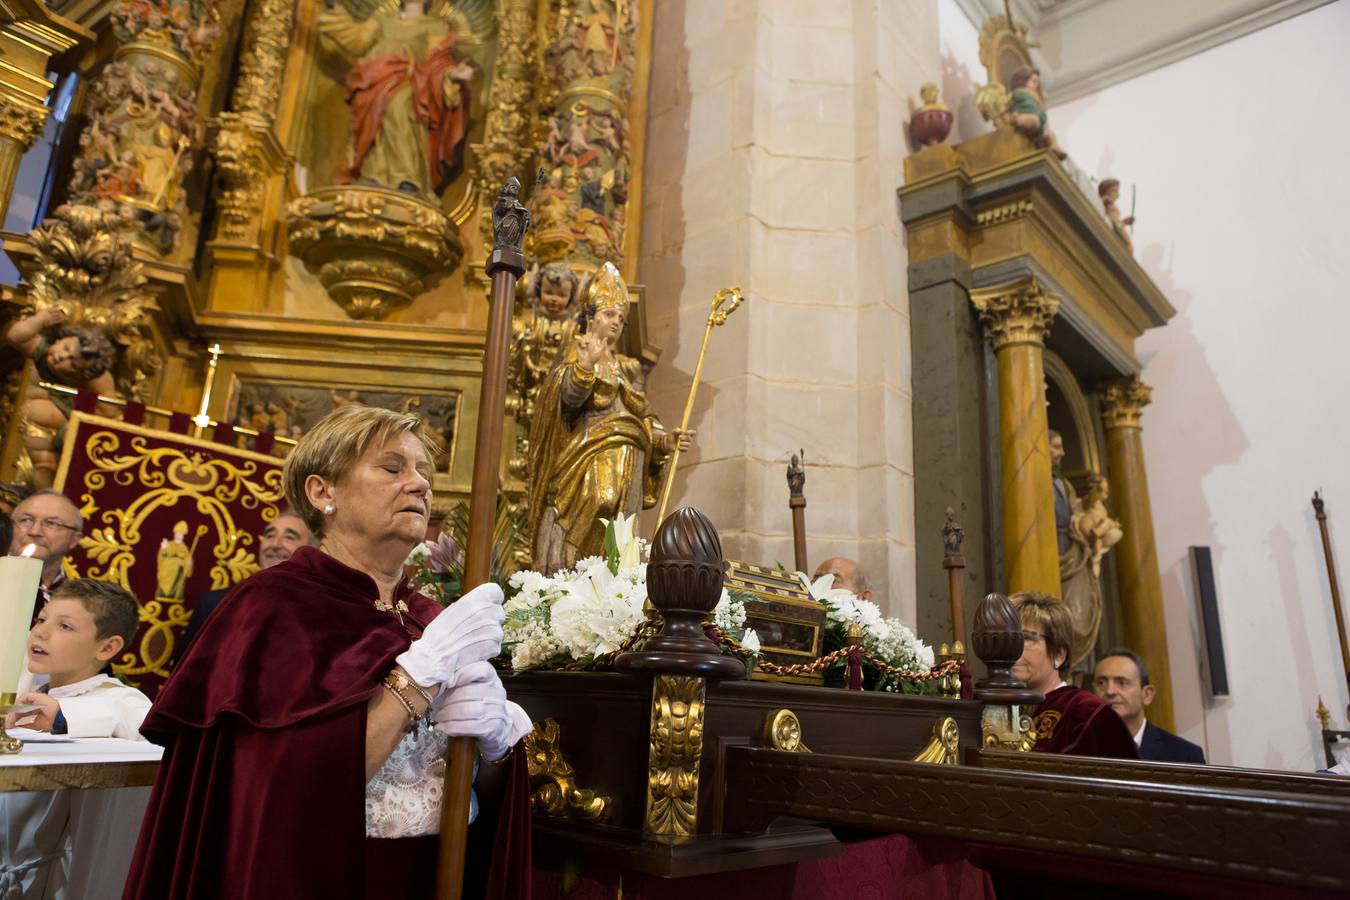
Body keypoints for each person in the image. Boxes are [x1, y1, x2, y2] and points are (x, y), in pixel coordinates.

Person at [123, 406, 532, 899]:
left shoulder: (431, 616)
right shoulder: (274, 606)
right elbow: (288, 793)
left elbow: (464, 789)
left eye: (424, 472)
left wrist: (495, 749)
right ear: (323, 493)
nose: (420, 484)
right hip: (326, 876)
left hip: (434, 875)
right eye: (392, 467)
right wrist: (416, 680)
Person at [527, 262, 693, 573]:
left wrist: (664, 440)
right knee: (595, 504)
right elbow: (567, 399)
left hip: (628, 464)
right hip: (586, 459)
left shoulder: (626, 367)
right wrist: (585, 366)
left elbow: (639, 414)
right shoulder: (576, 352)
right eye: (609, 314)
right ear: (590, 317)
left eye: (621, 317)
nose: (617, 321)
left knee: (619, 533)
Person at [2, 579, 151, 900]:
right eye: (41, 619)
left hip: (59, 877)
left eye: (65, 626)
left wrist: (62, 717)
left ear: (107, 647)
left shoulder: (119, 699)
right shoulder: (26, 691)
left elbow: (145, 725)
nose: (40, 632)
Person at [176, 508, 318, 661]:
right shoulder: (216, 604)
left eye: (290, 537)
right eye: (269, 535)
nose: (275, 544)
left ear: (311, 551)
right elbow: (182, 674)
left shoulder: (322, 611)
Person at [1010, 592, 1137, 759]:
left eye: (1026, 639)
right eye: (1008, 637)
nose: (1012, 648)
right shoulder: (994, 709)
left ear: (1059, 655)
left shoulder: (1089, 713)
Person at [1093, 649, 1205, 764]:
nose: (1110, 691)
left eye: (1122, 683)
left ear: (1147, 694)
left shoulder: (1184, 756)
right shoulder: (1077, 748)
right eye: (1101, 683)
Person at [8, 489, 84, 626]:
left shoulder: (82, 602)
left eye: (52, 523)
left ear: (74, 539)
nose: (34, 531)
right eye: (26, 520)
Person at [1007, 66, 1066, 160]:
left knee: (1051, 136)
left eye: (1037, 83)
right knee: (1033, 120)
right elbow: (1011, 103)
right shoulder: (1019, 92)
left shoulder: (1037, 97)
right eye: (1033, 81)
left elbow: (1044, 116)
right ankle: (1017, 121)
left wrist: (1047, 130)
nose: (1036, 85)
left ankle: (1055, 148)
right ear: (1023, 80)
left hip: (1038, 122)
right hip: (1024, 114)